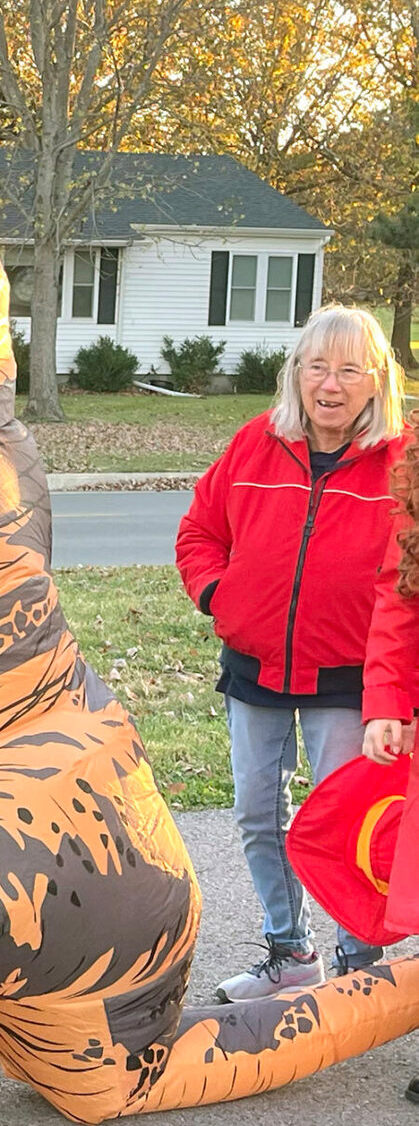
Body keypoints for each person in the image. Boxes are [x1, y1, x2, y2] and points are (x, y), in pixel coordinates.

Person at [175, 304, 407, 1001]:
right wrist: (223, 596)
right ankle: (289, 950)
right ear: (295, 374)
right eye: (316, 367)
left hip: (349, 682)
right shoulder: (254, 443)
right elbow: (197, 533)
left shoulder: (403, 462)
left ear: (375, 381)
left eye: (347, 370)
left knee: (348, 824)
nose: (329, 384)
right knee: (255, 815)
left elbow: (408, 585)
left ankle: (361, 959)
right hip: (254, 673)